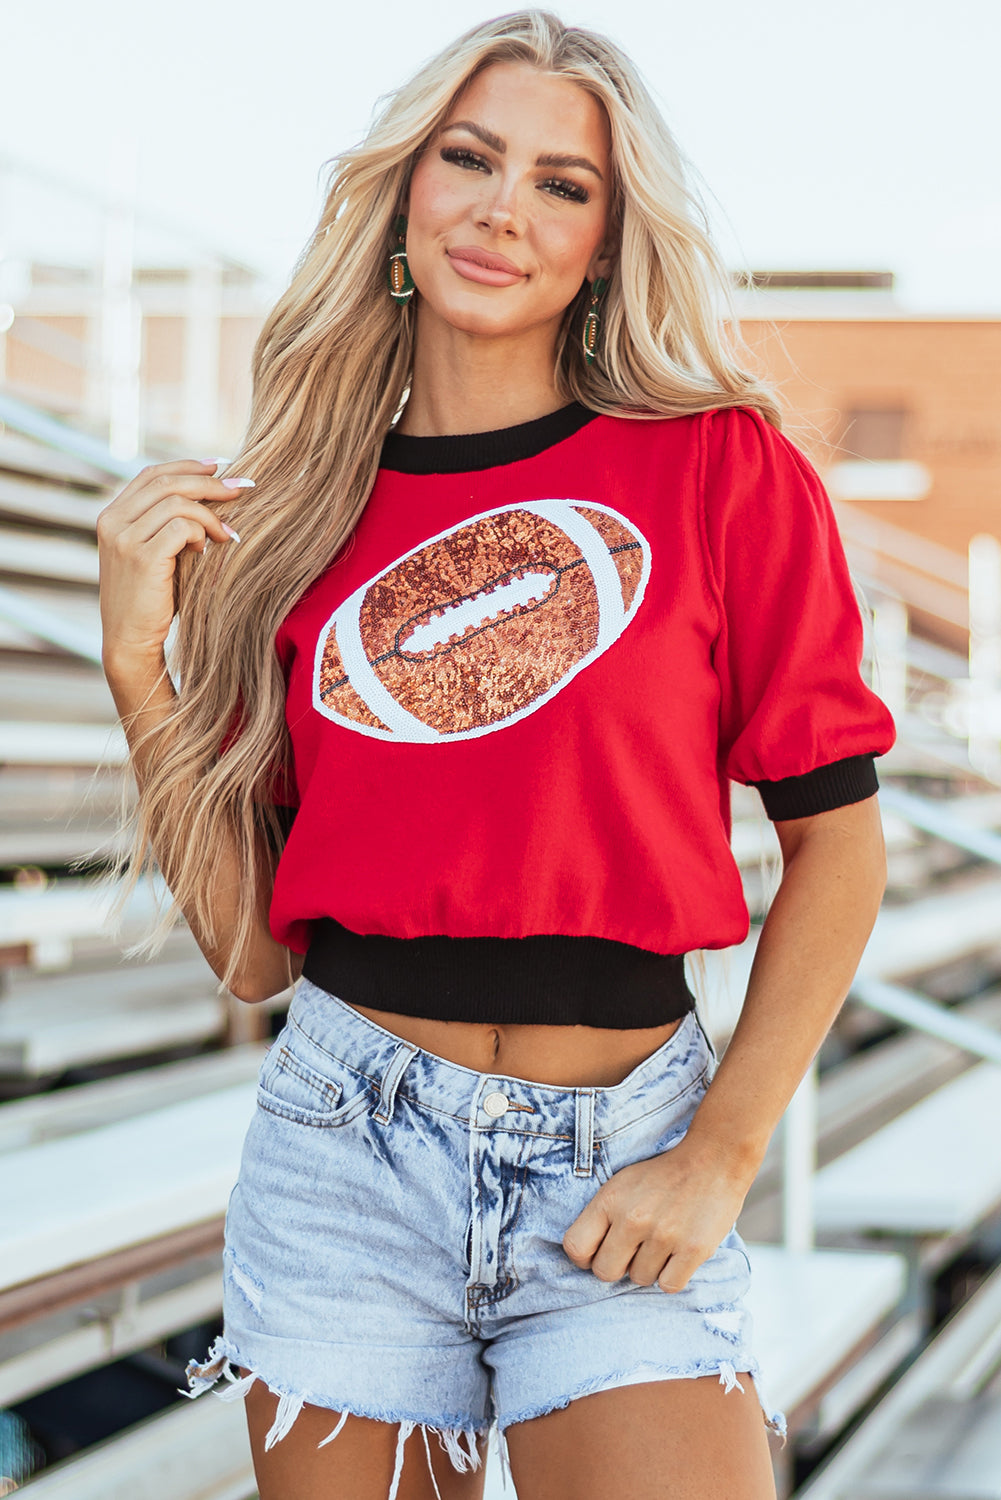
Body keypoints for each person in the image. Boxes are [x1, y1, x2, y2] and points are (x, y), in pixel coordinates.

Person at [96, 11, 895, 1499]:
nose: (500, 209)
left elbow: (840, 844)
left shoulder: (720, 470)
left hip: (626, 1147)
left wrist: (720, 1154)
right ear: (405, 190)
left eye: (559, 183)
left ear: (604, 240)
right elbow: (253, 958)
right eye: (468, 158)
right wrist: (137, 667)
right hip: (343, 1154)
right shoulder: (292, 524)